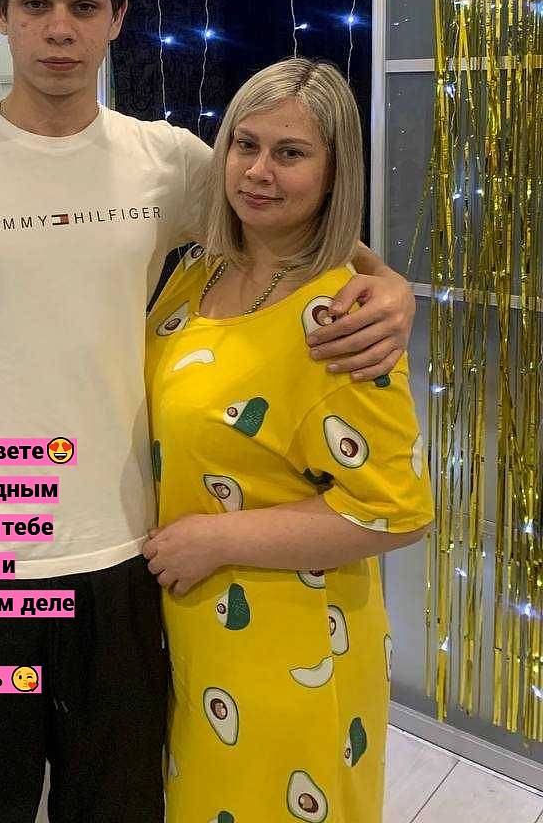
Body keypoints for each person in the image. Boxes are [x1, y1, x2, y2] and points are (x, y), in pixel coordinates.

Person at [0, 0, 416, 823]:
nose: (59, 30)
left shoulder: (172, 162)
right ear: (0, 14)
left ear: (117, 16)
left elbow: (293, 226)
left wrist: (389, 285)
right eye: (35, 3)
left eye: (84, 4)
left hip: (130, 559)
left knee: (114, 806)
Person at [142, 58, 434, 823]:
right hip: (196, 631)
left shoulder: (343, 319)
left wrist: (214, 538)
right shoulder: (200, 274)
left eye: (291, 153)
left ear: (335, 174)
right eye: (245, 145)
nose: (258, 171)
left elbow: (396, 511)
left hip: (293, 646)